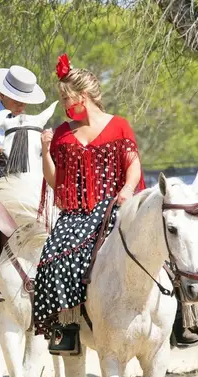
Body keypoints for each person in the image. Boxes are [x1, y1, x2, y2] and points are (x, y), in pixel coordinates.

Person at [33, 54, 147, 354]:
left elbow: (133, 164)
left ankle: (180, 317)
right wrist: (46, 152)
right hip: (76, 214)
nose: (64, 104)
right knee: (52, 255)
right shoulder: (62, 133)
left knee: (160, 241)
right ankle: (66, 325)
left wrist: (128, 188)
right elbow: (55, 182)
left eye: (67, 98)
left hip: (114, 205)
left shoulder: (119, 126)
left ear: (83, 96)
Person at [0, 63, 49, 307]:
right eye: (16, 97)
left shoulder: (32, 121)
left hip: (25, 177)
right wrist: (1, 149)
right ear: (2, 94)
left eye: (25, 98)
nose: (21, 103)